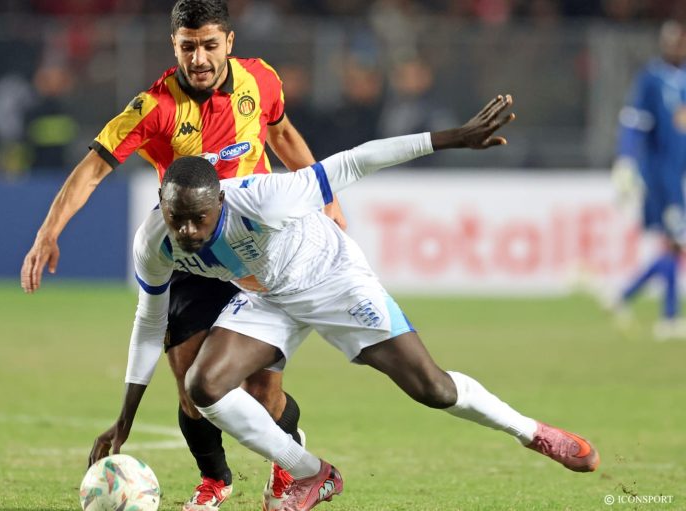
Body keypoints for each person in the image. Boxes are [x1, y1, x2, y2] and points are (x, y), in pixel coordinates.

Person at [126, 94, 599, 511]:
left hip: (333, 281)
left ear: (220, 204)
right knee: (204, 385)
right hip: (269, 297)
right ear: (162, 203)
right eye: (176, 218)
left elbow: (355, 162)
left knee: (432, 388)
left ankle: (532, 432)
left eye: (199, 219)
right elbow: (149, 323)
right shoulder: (154, 242)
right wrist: (124, 418)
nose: (187, 231)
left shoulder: (265, 200)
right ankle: (312, 472)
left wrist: (451, 138)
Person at [19, 1, 346, 509]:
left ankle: (289, 457)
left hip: (257, 253)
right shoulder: (153, 107)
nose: (199, 57)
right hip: (194, 251)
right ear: (174, 45)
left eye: (209, 45)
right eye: (188, 46)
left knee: (262, 392)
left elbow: (281, 133)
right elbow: (93, 169)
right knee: (191, 382)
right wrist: (48, 232)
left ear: (229, 42)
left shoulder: (261, 80)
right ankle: (215, 478)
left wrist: (328, 199)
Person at [610, 20, 686, 340]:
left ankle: (625, 295)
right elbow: (634, 123)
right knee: (676, 243)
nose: (676, 47)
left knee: (674, 246)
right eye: (672, 42)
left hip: (679, 176)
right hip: (661, 177)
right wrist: (626, 160)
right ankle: (668, 317)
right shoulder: (652, 79)